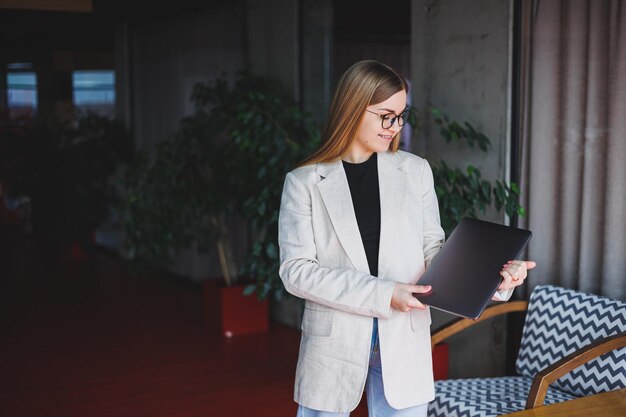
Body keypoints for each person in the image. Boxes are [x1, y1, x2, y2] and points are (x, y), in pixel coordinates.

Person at [277, 60, 535, 417]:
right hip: (334, 343)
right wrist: (385, 294)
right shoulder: (304, 181)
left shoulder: (415, 171)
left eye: (401, 115)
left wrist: (496, 278)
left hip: (404, 338)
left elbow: (433, 252)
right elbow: (296, 272)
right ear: (353, 109)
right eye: (386, 115)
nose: (395, 126)